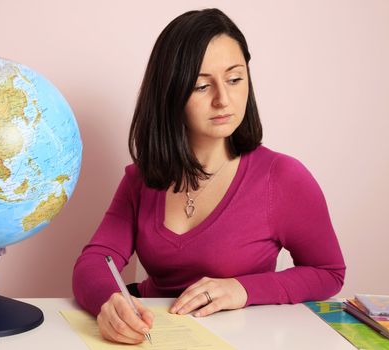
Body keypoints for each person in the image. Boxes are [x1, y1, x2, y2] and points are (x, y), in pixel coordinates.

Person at [72, 8, 346, 345]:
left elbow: (328, 273)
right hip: (156, 336)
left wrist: (243, 289)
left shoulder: (283, 177)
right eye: (202, 86)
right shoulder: (141, 179)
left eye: (234, 79)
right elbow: (96, 260)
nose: (223, 99)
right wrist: (110, 303)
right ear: (170, 93)